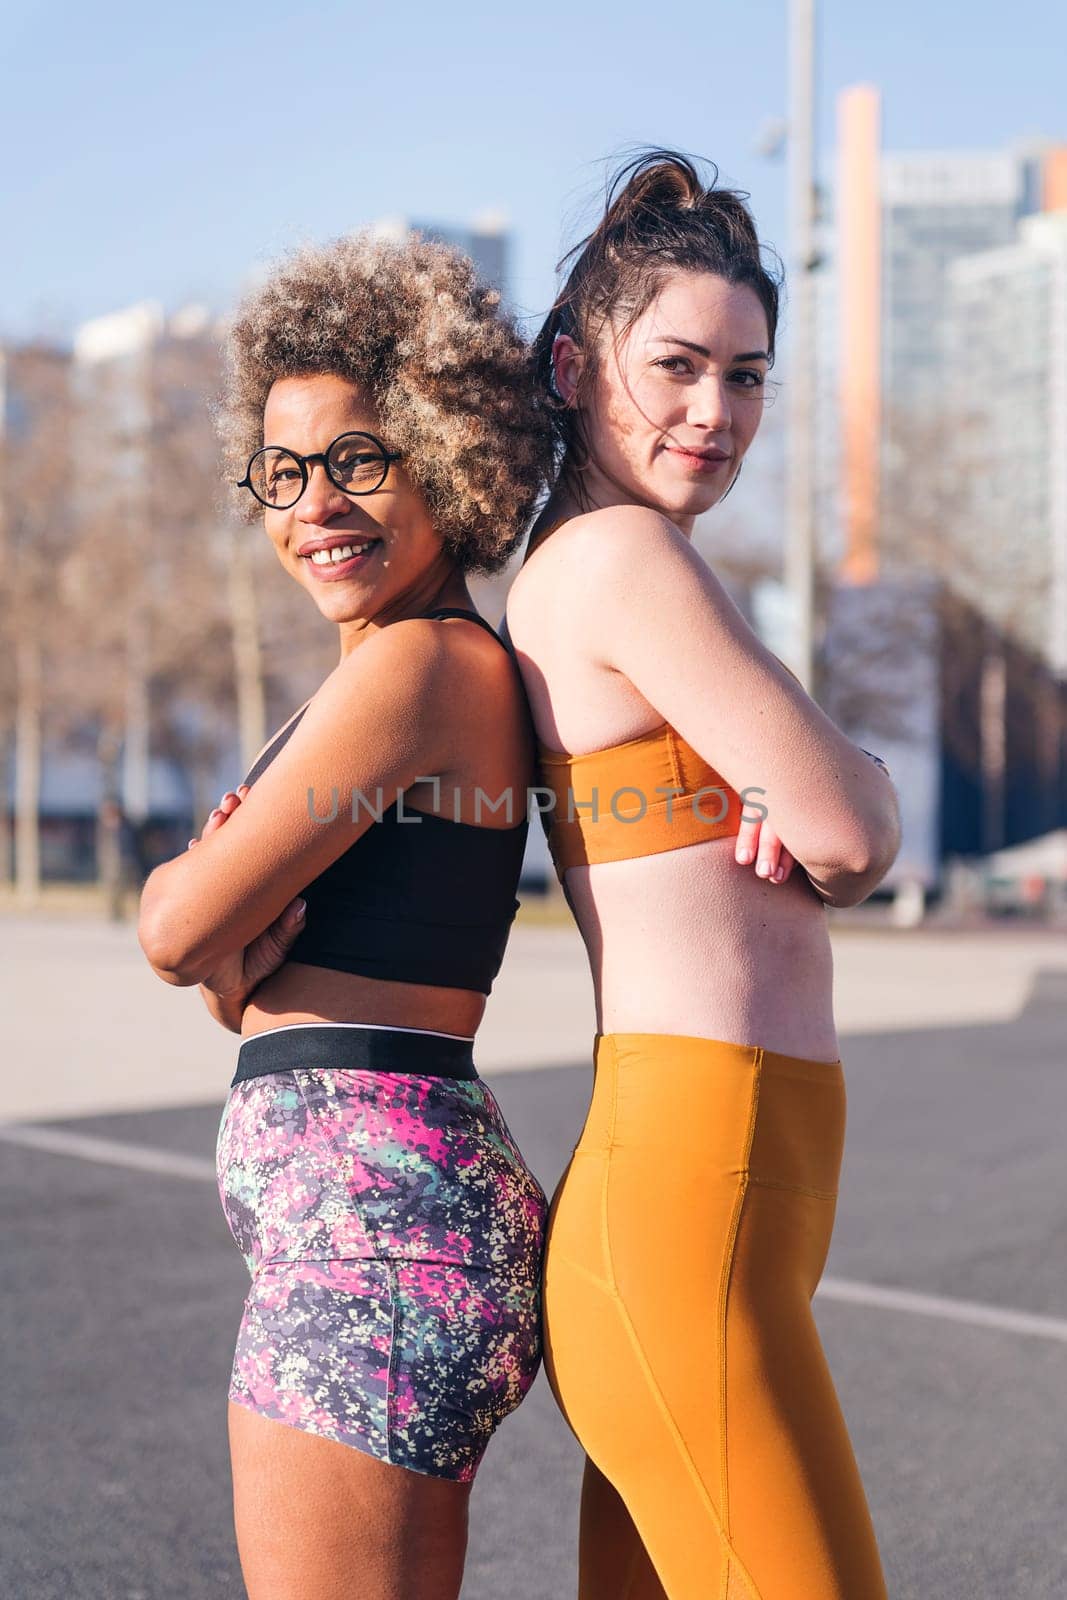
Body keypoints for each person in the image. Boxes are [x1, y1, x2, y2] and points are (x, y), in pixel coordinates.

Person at [504, 150, 901, 1600]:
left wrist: (822, 786)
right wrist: (860, 785)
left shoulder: (616, 564)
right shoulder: (622, 561)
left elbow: (825, 815)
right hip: (691, 1209)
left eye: (747, 378)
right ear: (571, 367)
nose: (713, 412)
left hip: (715, 1206)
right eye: (674, 365)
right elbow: (852, 835)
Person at [137, 231, 553, 1600]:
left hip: (371, 1242)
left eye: (361, 460)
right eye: (284, 469)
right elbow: (239, 985)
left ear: (449, 456)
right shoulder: (403, 671)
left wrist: (180, 903)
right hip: (388, 1226)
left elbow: (181, 935)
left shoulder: (422, 666)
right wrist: (219, 951)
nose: (318, 502)